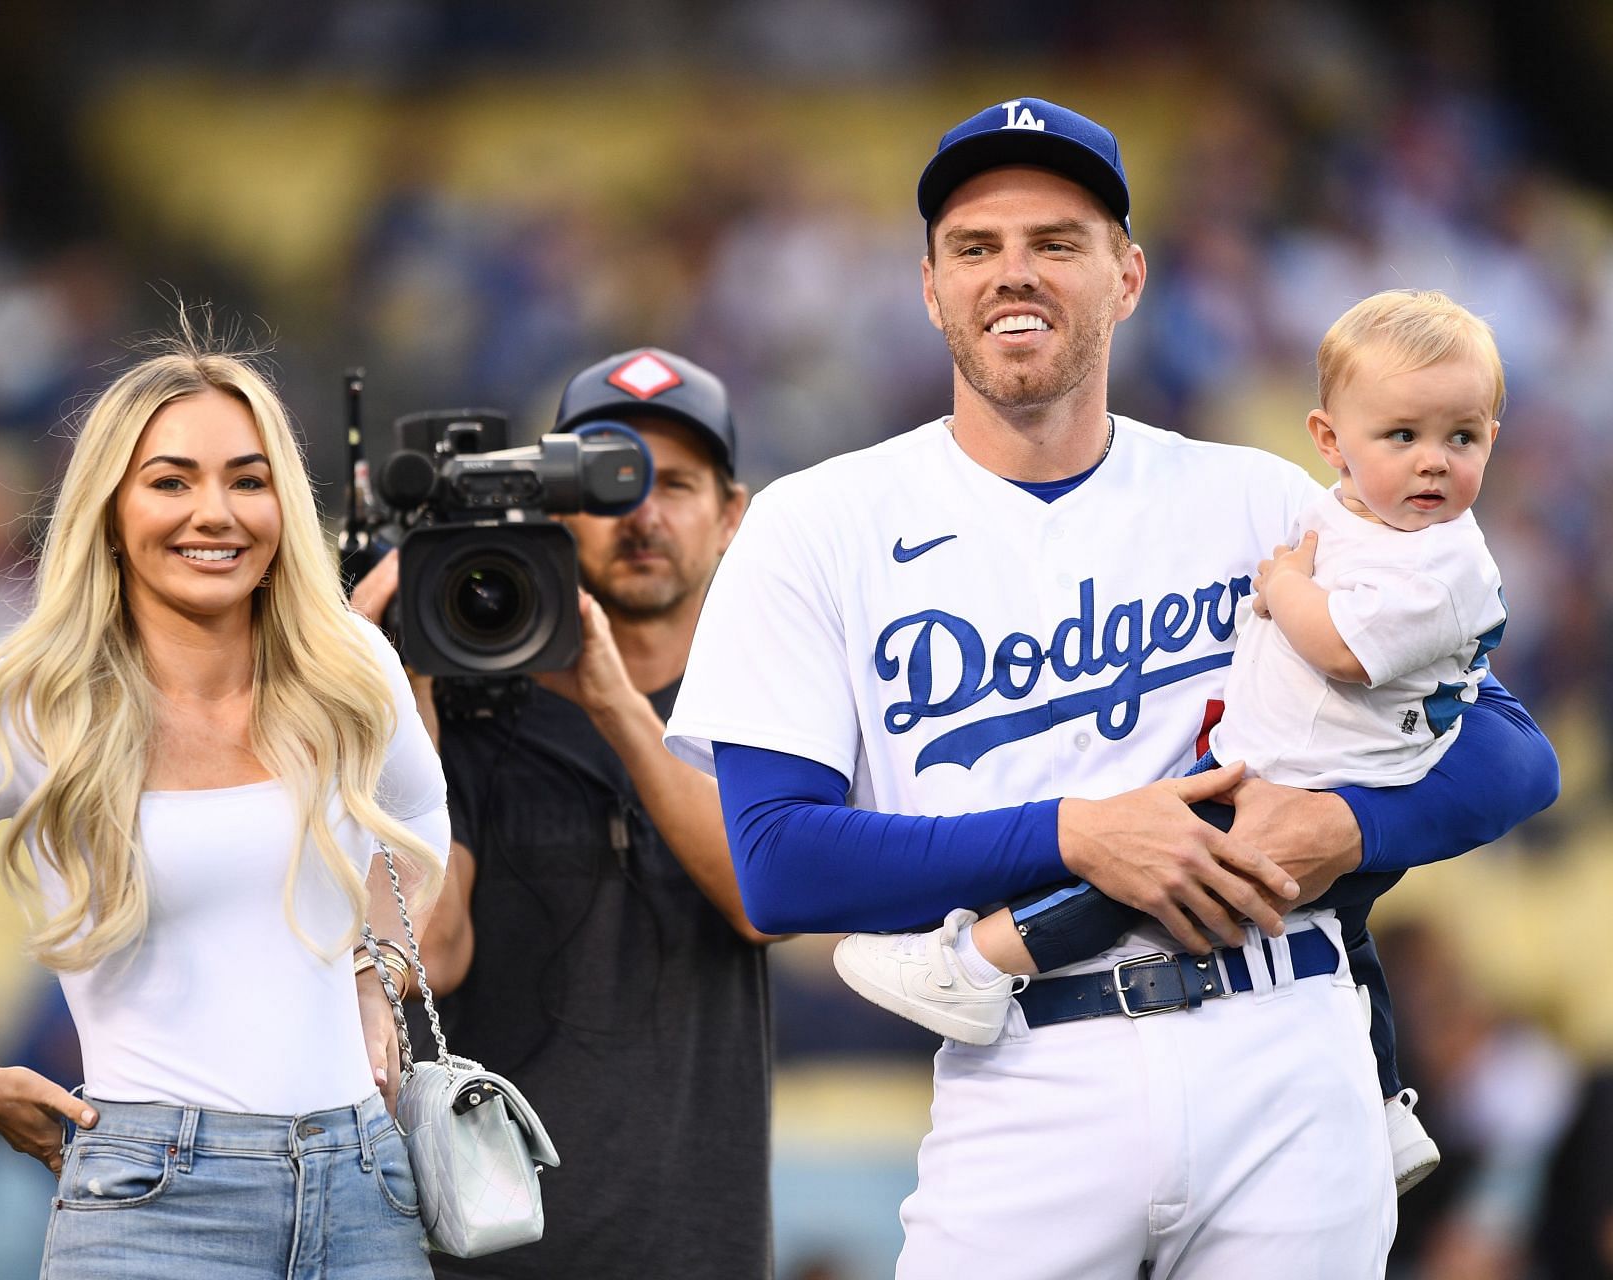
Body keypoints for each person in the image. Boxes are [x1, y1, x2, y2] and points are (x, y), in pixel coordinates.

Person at [664, 97, 1559, 1277]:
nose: (1012, 273)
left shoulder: (1259, 498)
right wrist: (1083, 835)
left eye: (1058, 242)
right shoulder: (814, 526)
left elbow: (1512, 751)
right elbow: (779, 864)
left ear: (1128, 276)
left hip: (1282, 1031)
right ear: (929, 287)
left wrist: (1345, 824)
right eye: (975, 248)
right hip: (1029, 1064)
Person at [0, 330, 451, 1280]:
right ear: (110, 510)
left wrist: (378, 980)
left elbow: (422, 824)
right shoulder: (39, 706)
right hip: (157, 1210)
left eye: (248, 479)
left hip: (367, 1191)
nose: (216, 512)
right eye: (171, 481)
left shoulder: (351, 669)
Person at [831, 286, 1511, 1197]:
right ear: (1330, 439)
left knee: (1142, 866)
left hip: (1310, 770)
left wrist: (1286, 590)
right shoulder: (1363, 515)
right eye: (1404, 437)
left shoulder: (1442, 556)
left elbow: (1352, 655)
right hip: (1301, 761)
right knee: (1346, 935)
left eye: (1460, 439)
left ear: (1492, 439)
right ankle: (1385, 1102)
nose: (1432, 463)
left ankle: (978, 961)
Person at [353, 347, 776, 1279]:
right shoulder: (472, 703)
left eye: (674, 483)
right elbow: (435, 953)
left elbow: (764, 900)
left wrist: (615, 707)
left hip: (699, 1244)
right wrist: (399, 711)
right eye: (607, 482)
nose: (642, 513)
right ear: (552, 503)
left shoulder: (768, 706)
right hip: (494, 1248)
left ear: (731, 514)